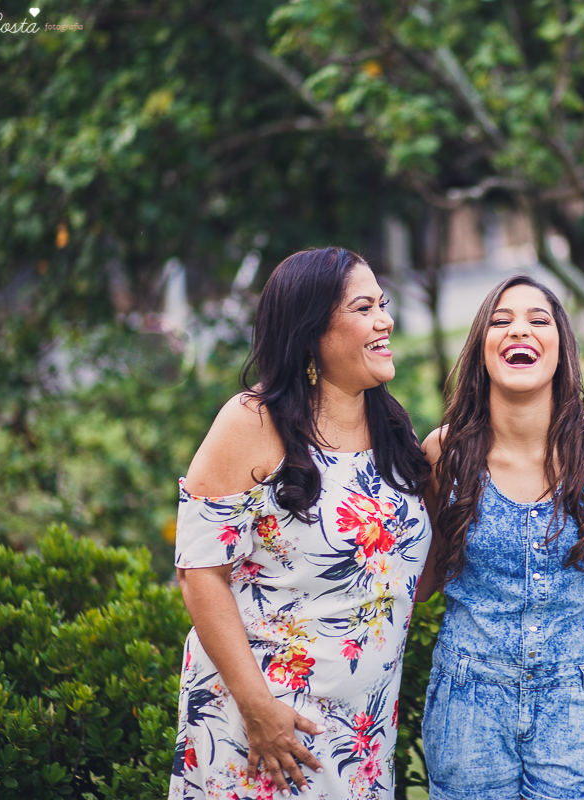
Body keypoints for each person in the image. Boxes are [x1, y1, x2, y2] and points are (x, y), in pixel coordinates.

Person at [169, 247, 431, 800]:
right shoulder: (252, 421)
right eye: (364, 308)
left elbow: (403, 580)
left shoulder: (392, 429)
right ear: (312, 331)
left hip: (362, 734)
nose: (385, 320)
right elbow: (198, 572)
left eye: (382, 304)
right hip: (264, 723)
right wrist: (257, 708)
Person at [416, 276, 584, 800]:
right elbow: (421, 579)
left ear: (560, 347)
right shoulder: (443, 454)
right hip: (467, 704)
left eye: (537, 319)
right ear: (481, 347)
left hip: (579, 706)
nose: (517, 330)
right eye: (500, 321)